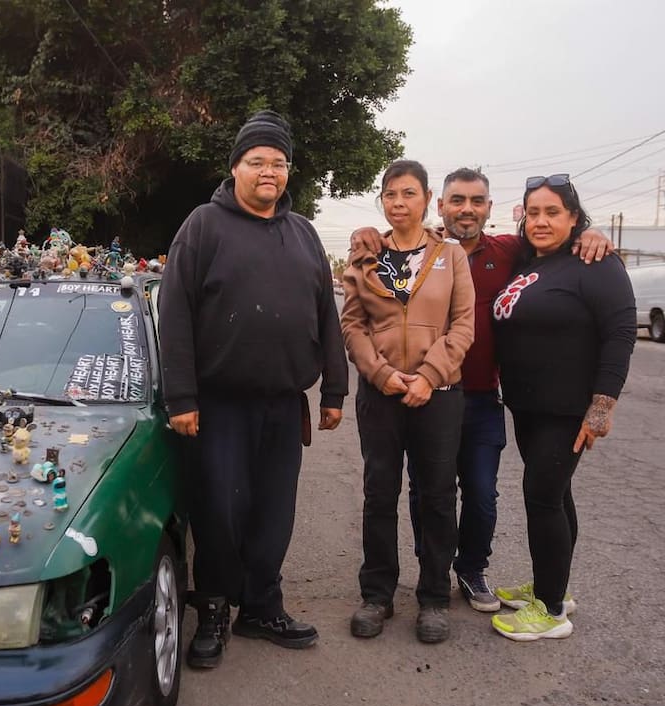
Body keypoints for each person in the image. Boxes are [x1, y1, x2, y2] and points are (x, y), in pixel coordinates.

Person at [350, 169, 613, 614]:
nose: (466, 209)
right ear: (441, 205)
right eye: (457, 201)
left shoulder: (510, 251)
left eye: (476, 201)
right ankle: (407, 578)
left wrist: (593, 231)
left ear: (489, 208)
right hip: (405, 392)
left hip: (470, 393)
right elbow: (355, 321)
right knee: (408, 491)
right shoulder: (391, 252)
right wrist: (366, 232)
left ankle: (466, 572)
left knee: (476, 492)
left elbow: (556, 237)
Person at [157, 110, 348, 670]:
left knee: (274, 510)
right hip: (218, 405)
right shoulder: (202, 226)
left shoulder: (304, 233)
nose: (270, 171)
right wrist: (182, 398)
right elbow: (176, 315)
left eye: (279, 162)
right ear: (236, 167)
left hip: (283, 406)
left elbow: (325, 316)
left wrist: (333, 390)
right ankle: (213, 607)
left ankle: (262, 606)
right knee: (219, 510)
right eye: (258, 161)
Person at [489, 174, 636, 640]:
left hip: (566, 409)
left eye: (553, 212)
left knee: (542, 497)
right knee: (557, 496)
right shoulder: (531, 262)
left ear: (574, 218)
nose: (541, 221)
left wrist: (601, 408)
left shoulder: (594, 263)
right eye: (533, 212)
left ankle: (550, 611)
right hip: (528, 407)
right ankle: (556, 586)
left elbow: (620, 333)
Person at [340, 160, 474, 644]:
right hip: (381, 396)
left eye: (409, 194)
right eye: (391, 195)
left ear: (426, 198)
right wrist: (380, 374)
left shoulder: (450, 255)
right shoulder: (365, 255)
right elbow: (352, 325)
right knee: (380, 494)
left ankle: (434, 598)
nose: (399, 203)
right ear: (382, 200)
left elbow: (463, 325)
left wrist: (428, 376)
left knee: (438, 496)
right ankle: (376, 595)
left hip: (437, 396)